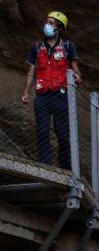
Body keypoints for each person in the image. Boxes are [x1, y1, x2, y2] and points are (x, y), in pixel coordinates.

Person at [22, 11, 81, 170]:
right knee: (42, 132)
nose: (48, 25)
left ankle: (66, 168)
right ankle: (44, 166)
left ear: (60, 28)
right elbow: (31, 71)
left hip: (60, 95)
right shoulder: (37, 47)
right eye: (47, 22)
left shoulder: (68, 46)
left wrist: (77, 76)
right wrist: (26, 92)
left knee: (62, 134)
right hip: (42, 96)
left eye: (52, 23)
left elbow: (76, 70)